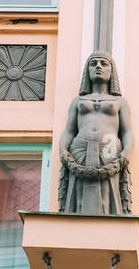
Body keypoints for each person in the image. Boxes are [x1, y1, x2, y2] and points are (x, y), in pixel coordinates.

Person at [57, 51, 133, 214]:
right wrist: (62, 149)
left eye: (103, 63)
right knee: (79, 194)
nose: (98, 66)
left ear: (111, 71)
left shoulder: (120, 102)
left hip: (109, 147)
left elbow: (127, 131)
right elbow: (69, 130)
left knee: (106, 192)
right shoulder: (77, 101)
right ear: (88, 70)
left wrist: (127, 151)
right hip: (79, 148)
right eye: (94, 63)